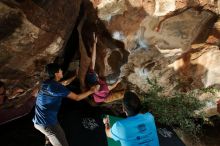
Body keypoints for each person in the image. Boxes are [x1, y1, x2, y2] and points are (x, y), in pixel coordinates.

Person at [32, 63, 99, 146]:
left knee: (52, 140)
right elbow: (77, 98)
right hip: (47, 123)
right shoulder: (55, 87)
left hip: (40, 121)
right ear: (56, 74)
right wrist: (91, 91)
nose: (62, 71)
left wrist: (75, 76)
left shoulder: (47, 83)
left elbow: (64, 83)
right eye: (60, 70)